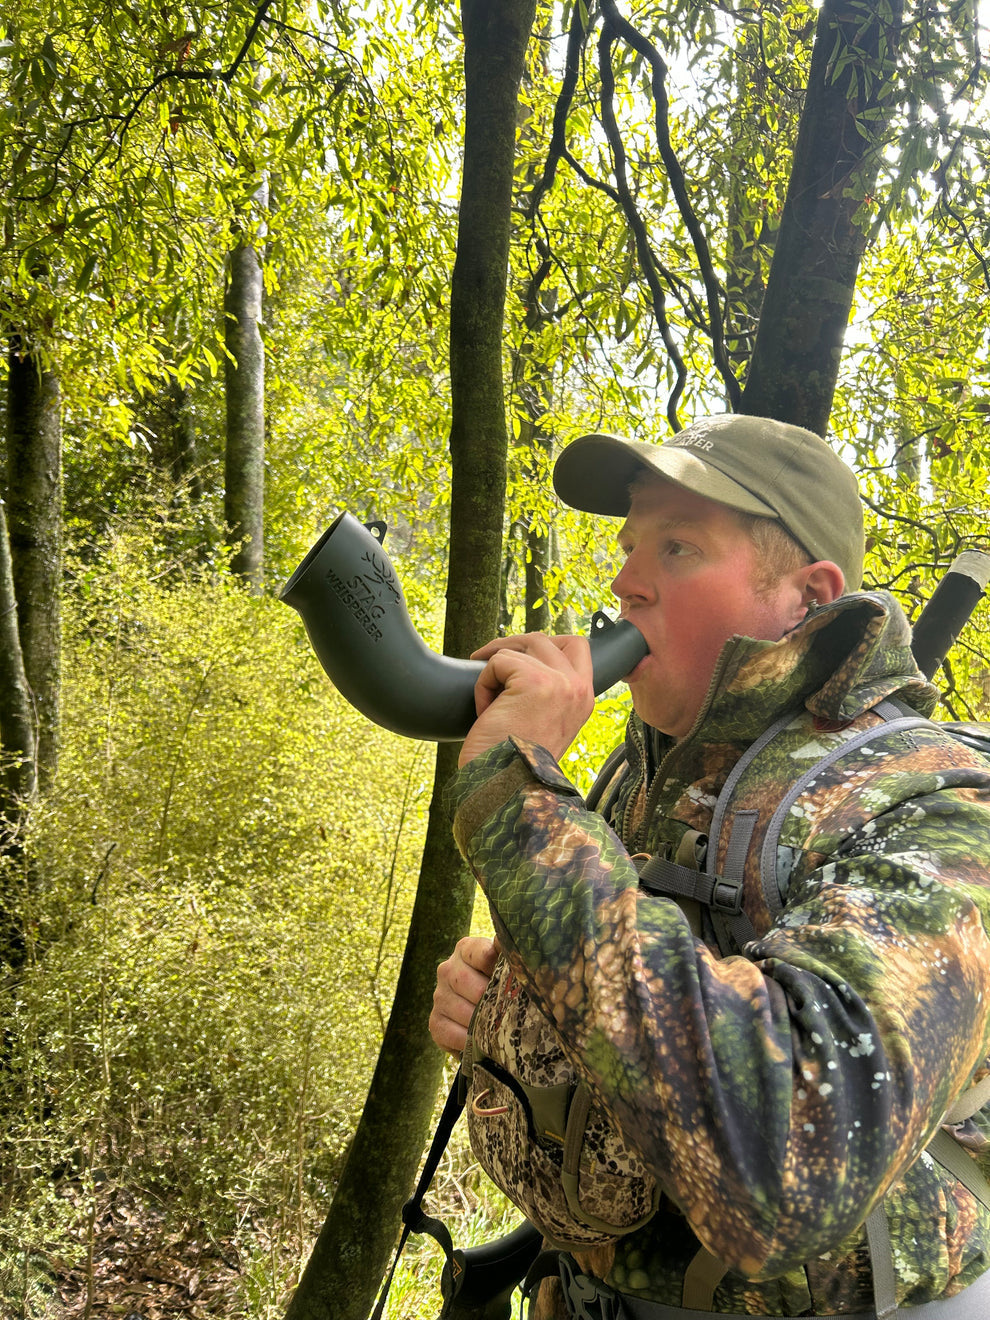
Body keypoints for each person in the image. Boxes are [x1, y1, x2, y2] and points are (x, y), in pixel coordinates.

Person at [429, 413, 990, 1319]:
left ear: (808, 594)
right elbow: (639, 1002)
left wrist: (519, 806)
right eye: (629, 546)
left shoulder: (942, 805)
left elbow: (790, 1160)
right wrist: (507, 1004)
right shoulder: (641, 773)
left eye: (678, 547)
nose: (625, 582)